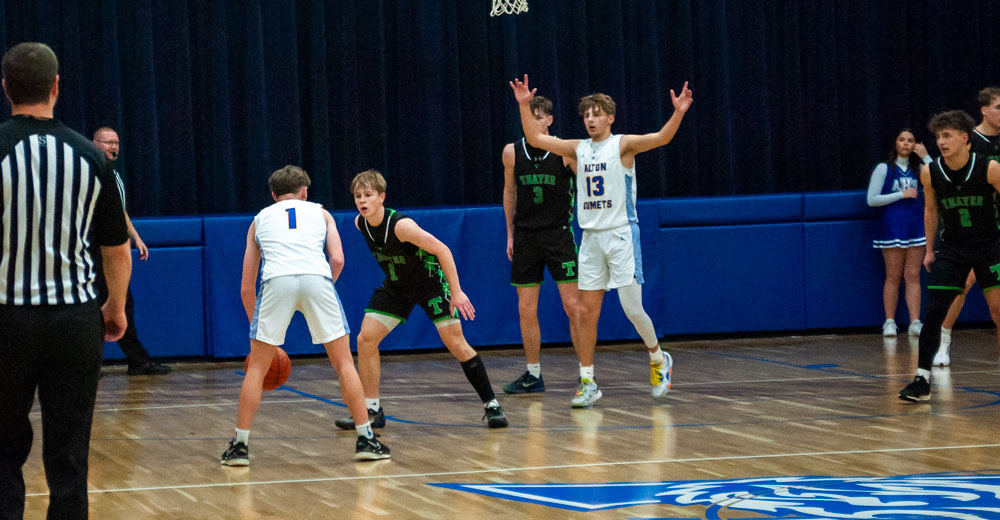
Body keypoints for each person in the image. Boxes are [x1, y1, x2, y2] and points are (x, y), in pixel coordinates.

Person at [0, 42, 131, 520]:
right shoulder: (93, 157)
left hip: (5, 319)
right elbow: (116, 248)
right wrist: (115, 307)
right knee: (70, 453)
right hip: (74, 322)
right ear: (56, 87)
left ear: (6, 89)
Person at [509, 74, 692, 407]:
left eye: (596, 114)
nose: (590, 120)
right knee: (585, 313)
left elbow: (662, 138)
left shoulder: (623, 145)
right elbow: (534, 138)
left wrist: (678, 112)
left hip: (620, 234)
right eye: (586, 115)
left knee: (632, 308)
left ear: (610, 117)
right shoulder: (576, 148)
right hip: (591, 238)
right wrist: (524, 105)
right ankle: (588, 381)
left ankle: (657, 357)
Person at [221, 166, 389, 465]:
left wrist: (256, 329)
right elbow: (338, 259)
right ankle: (366, 438)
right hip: (317, 278)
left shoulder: (259, 220)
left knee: (257, 368)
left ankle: (239, 447)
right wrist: (323, 288)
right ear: (304, 192)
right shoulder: (322, 214)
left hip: (276, 282)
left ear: (273, 195)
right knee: (344, 363)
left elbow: (247, 286)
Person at [333, 170, 508, 430]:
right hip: (397, 285)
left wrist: (456, 291)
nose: (362, 200)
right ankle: (372, 410)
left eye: (368, 195)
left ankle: (492, 404)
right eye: (358, 196)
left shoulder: (401, 226)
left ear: (382, 197)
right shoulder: (361, 223)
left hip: (430, 284)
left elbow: (442, 249)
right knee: (365, 339)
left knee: (456, 343)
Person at [899, 110, 1000, 402]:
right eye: (938, 137)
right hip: (954, 247)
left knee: (998, 310)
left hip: (990, 245)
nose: (941, 142)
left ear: (965, 138)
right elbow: (931, 210)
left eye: (947, 136)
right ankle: (922, 380)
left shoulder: (990, 168)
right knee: (934, 312)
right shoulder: (930, 172)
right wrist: (929, 249)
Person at [501, 95, 581, 394]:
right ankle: (533, 374)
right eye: (528, 116)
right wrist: (510, 233)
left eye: (538, 117)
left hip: (558, 235)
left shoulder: (565, 151)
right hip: (526, 235)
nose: (533, 122)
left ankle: (586, 373)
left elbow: (587, 184)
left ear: (549, 120)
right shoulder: (512, 152)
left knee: (573, 305)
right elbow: (510, 192)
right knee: (526, 308)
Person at [91, 127, 170, 375]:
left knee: (116, 304)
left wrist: (136, 237)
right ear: (94, 144)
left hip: (110, 248)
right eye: (108, 142)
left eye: (116, 142)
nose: (113, 147)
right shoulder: (93, 174)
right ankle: (125, 361)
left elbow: (120, 211)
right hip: (100, 250)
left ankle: (134, 360)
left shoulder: (112, 173)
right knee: (113, 304)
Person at [932, 87, 1000, 366]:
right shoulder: (972, 142)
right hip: (973, 227)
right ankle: (943, 342)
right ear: (984, 110)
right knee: (962, 284)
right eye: (998, 107)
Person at [866, 129, 932, 337]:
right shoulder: (884, 168)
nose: (906, 143)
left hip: (915, 225)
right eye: (902, 139)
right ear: (895, 143)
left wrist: (926, 157)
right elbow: (871, 199)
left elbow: (939, 179)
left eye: (910, 140)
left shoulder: (919, 168)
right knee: (893, 276)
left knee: (913, 275)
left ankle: (915, 322)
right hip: (892, 225)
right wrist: (900, 194)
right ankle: (890, 321)